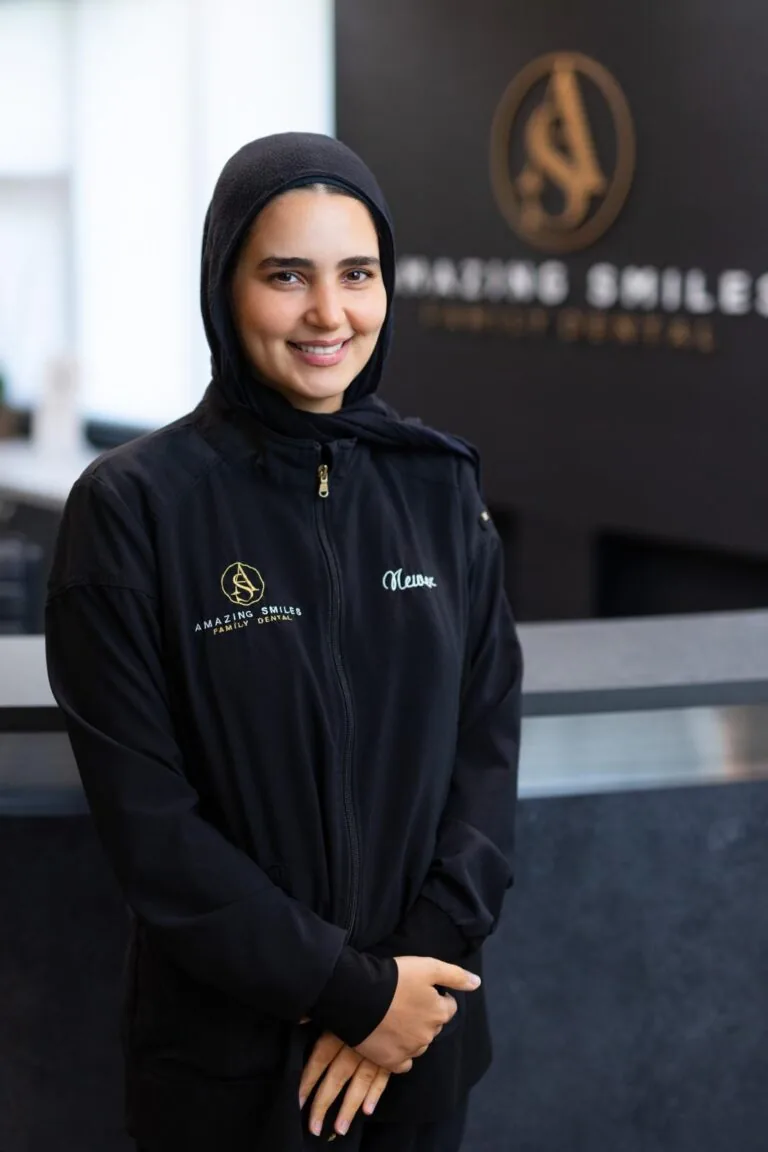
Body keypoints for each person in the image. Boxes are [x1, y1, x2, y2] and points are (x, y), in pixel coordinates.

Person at [45, 132, 522, 1152]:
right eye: (286, 277)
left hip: (417, 1053)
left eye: (358, 275)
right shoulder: (134, 510)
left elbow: (484, 755)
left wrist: (407, 990)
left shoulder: (439, 487)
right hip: (228, 1072)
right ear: (226, 288)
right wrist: (348, 991)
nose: (329, 314)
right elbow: (154, 833)